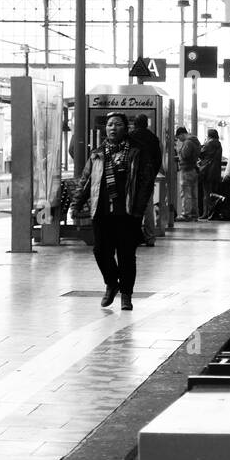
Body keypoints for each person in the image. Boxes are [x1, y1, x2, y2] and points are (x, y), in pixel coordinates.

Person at [73, 112, 157, 311]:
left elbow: (146, 181)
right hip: (102, 211)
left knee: (127, 254)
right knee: (101, 251)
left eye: (117, 124)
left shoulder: (138, 151)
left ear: (125, 128)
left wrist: (139, 208)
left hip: (127, 212)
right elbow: (86, 181)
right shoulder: (98, 153)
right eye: (110, 124)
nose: (113, 128)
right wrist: (76, 204)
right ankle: (112, 283)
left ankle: (126, 295)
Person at [130, 114, 163, 245]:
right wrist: (152, 174)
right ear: (147, 124)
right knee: (148, 206)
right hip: (148, 177)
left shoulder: (131, 136)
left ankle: (135, 237)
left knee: (132, 207)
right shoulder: (153, 138)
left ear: (135, 124)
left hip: (133, 177)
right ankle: (150, 237)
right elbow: (158, 159)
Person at [174, 126, 201, 221]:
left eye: (178, 137)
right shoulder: (195, 141)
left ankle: (186, 214)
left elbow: (185, 155)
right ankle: (194, 214)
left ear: (182, 134)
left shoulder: (188, 142)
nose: (179, 140)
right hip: (193, 169)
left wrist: (179, 151)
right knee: (193, 194)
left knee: (185, 193)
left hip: (186, 170)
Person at [198, 128, 223, 216]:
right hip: (216, 171)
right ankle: (212, 212)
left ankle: (206, 213)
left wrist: (204, 143)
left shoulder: (208, 144)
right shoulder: (219, 144)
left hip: (207, 171)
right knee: (213, 193)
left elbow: (200, 153)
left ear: (209, 136)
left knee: (206, 193)